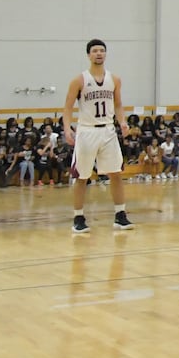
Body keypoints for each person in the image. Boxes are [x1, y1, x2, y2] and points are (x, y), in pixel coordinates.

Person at [63, 40, 133, 233]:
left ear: (106, 54)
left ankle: (120, 215)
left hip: (108, 130)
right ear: (88, 55)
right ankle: (78, 217)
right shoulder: (79, 80)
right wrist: (67, 129)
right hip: (87, 130)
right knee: (82, 177)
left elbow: (118, 104)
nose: (99, 53)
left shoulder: (114, 79)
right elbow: (68, 106)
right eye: (95, 51)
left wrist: (123, 122)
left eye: (102, 50)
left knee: (116, 173)